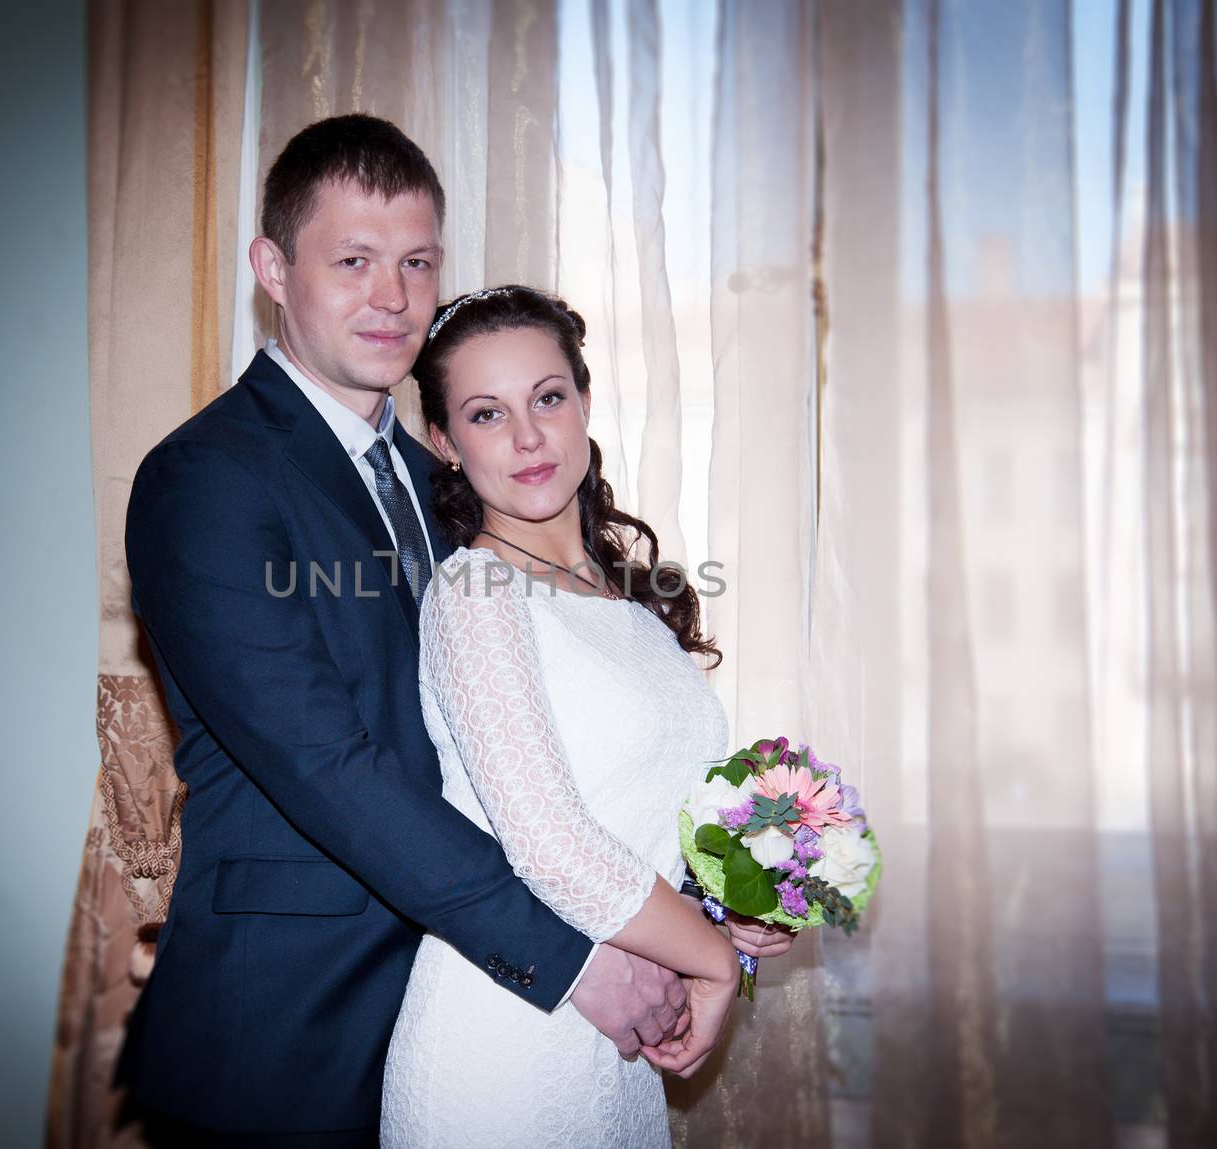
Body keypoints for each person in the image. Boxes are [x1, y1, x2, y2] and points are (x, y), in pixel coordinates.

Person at [116, 116, 693, 1145]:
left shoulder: (454, 479)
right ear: (273, 269)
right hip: (295, 1030)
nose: (392, 295)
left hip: (467, 1011)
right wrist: (572, 961)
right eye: (353, 261)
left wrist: (693, 908)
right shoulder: (206, 479)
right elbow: (326, 766)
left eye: (416, 262)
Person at [380, 286, 796, 1147]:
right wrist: (712, 960)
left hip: (617, 1052)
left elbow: (637, 825)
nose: (529, 437)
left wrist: (724, 912)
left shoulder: (632, 604)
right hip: (499, 1047)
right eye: (487, 414)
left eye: (548, 397)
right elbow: (549, 841)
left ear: (585, 402)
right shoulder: (475, 591)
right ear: (445, 445)